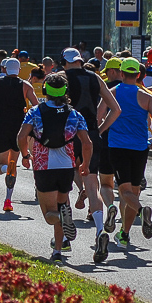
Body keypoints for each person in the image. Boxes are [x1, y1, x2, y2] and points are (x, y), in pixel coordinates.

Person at [18, 71, 91, 261]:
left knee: (49, 214)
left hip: (43, 166)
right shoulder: (75, 114)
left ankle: (61, 219)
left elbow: (20, 137)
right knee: (62, 204)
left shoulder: (35, 112)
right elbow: (87, 143)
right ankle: (57, 250)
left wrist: (26, 155)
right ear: (65, 91)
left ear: (45, 90)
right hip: (66, 167)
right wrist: (85, 164)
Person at [62, 47, 121, 263]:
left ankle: (64, 238)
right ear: (80, 60)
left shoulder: (61, 78)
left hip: (66, 135)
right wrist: (100, 129)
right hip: (91, 134)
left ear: (64, 62)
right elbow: (116, 109)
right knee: (92, 184)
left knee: (63, 185)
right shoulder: (95, 77)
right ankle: (99, 232)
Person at [106, 58, 152, 251]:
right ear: (138, 75)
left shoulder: (112, 93)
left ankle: (142, 211)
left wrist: (98, 132)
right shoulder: (146, 96)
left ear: (121, 74)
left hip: (118, 146)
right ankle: (124, 234)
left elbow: (100, 115)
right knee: (134, 192)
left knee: (124, 192)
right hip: (140, 148)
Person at [0, 57, 39, 212]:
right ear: (18, 70)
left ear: (4, 69)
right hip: (19, 127)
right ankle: (8, 200)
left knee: (0, 166)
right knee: (14, 161)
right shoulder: (26, 86)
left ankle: (7, 168)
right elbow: (36, 106)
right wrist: (30, 120)